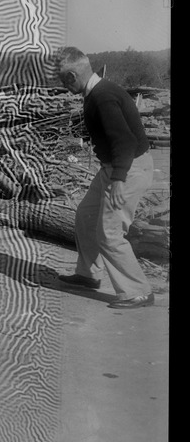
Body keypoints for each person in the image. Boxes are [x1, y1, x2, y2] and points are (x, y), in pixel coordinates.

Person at [56, 47, 156, 308]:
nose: (63, 87)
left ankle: (139, 292)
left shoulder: (102, 97)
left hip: (128, 168)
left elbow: (124, 142)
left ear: (71, 76)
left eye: (62, 80)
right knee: (86, 216)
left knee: (109, 233)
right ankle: (88, 275)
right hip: (114, 167)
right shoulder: (95, 92)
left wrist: (119, 180)